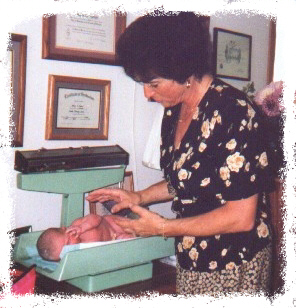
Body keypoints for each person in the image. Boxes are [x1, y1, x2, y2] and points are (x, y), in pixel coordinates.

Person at [87, 11, 274, 296]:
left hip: (234, 261)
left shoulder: (233, 112)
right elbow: (187, 180)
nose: (148, 95)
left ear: (185, 72)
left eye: (154, 84)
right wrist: (139, 197)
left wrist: (164, 227)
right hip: (192, 257)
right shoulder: (175, 110)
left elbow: (241, 216)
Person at [37, 214, 134, 261]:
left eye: (68, 243)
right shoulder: (80, 254)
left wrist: (82, 227)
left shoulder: (78, 224)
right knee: (130, 242)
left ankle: (137, 222)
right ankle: (137, 237)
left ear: (65, 229)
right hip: (114, 241)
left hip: (110, 225)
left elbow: (97, 218)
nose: (71, 247)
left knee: (131, 226)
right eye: (65, 253)